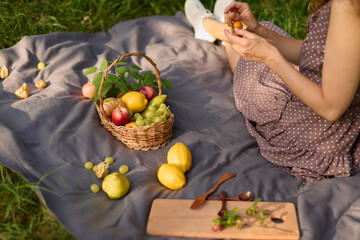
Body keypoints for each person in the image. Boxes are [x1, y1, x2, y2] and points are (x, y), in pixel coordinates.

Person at [185, 0, 360, 183]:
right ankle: (222, 26)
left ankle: (206, 24)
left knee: (252, 69)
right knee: (261, 33)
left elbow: (331, 108)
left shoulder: (347, 6)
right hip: (335, 115)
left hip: (317, 136)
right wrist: (259, 30)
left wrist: (270, 57)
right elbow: (321, 54)